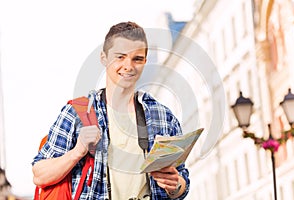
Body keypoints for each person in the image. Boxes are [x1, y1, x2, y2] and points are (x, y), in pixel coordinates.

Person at [32, 21, 190, 200]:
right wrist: (77, 152)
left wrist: (175, 186)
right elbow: (39, 174)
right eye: (120, 57)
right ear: (104, 58)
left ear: (145, 61)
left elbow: (180, 185)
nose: (128, 66)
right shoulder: (77, 113)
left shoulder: (163, 117)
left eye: (137, 59)